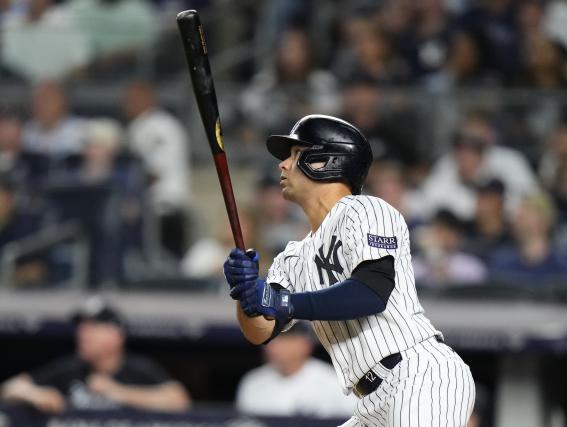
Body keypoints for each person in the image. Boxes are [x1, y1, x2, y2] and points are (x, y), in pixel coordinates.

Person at [224, 115, 475, 426]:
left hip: (419, 375)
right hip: (370, 401)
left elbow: (371, 292)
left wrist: (281, 301)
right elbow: (260, 332)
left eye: (295, 154)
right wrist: (244, 293)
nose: (283, 165)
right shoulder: (292, 257)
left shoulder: (367, 210)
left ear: (327, 161)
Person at [0, 297, 190, 413]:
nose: (83, 334)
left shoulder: (138, 368)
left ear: (115, 335)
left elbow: (178, 400)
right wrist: (35, 394)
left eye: (92, 328)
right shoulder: (71, 368)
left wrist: (117, 392)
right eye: (81, 327)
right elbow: (11, 387)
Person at [123, 80, 191, 258]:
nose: (127, 104)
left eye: (133, 99)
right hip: (148, 209)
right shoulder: (138, 126)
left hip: (166, 208)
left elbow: (154, 172)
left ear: (149, 99)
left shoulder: (161, 125)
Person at [236, 322, 354, 418]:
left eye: (283, 339)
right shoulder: (252, 382)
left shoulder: (336, 381)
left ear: (304, 344)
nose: (273, 345)